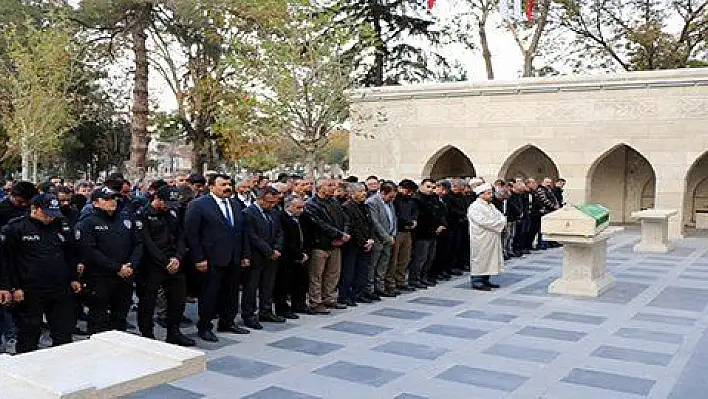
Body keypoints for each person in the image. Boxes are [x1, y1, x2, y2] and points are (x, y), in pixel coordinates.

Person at [0, 194, 80, 353]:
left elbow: (70, 254)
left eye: (53, 214)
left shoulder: (60, 226)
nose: (50, 217)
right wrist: (11, 287)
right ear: (34, 209)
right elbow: (6, 261)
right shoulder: (15, 228)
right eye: (47, 213)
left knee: (64, 334)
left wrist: (73, 278)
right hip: (29, 290)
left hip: (59, 289)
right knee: (29, 334)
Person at [184, 173, 250, 342]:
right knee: (209, 294)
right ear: (212, 186)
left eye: (229, 184)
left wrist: (244, 255)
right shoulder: (199, 205)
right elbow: (192, 235)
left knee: (232, 293)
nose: (227, 187)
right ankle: (205, 326)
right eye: (222, 184)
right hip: (211, 258)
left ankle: (227, 322)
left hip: (233, 257)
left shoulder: (236, 204)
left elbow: (242, 232)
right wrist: (198, 258)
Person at [75, 187, 143, 333]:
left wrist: (131, 265)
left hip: (125, 275)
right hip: (100, 278)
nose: (112, 202)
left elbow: (138, 243)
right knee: (98, 319)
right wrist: (117, 268)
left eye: (114, 198)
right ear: (95, 203)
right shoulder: (87, 222)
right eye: (106, 199)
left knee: (120, 318)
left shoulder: (126, 218)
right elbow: (90, 251)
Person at [136, 186, 195, 347]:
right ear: (158, 199)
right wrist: (165, 262)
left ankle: (174, 333)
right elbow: (147, 243)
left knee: (177, 300)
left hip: (174, 264)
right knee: (148, 302)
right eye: (167, 203)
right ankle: (147, 334)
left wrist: (177, 258)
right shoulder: (143, 215)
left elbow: (181, 237)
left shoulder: (172, 213)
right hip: (152, 266)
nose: (170, 206)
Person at [303, 179, 350, 314]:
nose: (333, 188)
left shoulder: (334, 202)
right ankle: (316, 301)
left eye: (333, 185)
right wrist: (338, 235)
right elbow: (320, 224)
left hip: (336, 244)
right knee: (316, 276)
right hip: (320, 244)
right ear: (319, 188)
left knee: (333, 274)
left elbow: (345, 219)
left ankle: (329, 298)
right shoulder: (312, 204)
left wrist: (343, 234)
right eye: (329, 185)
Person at [242, 186, 285, 330]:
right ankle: (249, 315)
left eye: (274, 202)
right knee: (251, 287)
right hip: (256, 256)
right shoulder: (248, 213)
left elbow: (280, 232)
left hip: (272, 256)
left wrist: (277, 248)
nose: (272, 205)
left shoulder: (274, 212)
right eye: (269, 202)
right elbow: (252, 236)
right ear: (259, 199)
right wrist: (268, 250)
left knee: (268, 285)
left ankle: (266, 311)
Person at [274, 195, 311, 317]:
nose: (301, 210)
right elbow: (286, 240)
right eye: (298, 207)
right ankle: (282, 308)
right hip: (287, 257)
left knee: (301, 282)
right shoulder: (281, 218)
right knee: (284, 284)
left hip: (303, 254)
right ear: (288, 207)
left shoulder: (303, 218)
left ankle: (299, 304)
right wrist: (298, 255)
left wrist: (305, 253)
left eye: (302, 207)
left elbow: (307, 236)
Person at [468, 183, 507, 291]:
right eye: (488, 193)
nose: (491, 195)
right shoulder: (475, 207)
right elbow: (483, 221)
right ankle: (477, 281)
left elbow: (501, 217)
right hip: (481, 238)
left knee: (490, 259)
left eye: (491, 193)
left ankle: (485, 279)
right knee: (481, 258)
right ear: (481, 194)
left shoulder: (491, 205)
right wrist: (498, 224)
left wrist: (500, 222)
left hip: (492, 236)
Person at [340, 183, 374, 306]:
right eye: (360, 191)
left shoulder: (365, 206)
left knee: (362, 271)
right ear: (351, 194)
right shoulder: (346, 207)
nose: (364, 193)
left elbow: (369, 224)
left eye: (364, 191)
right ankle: (345, 296)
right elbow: (352, 227)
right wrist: (363, 241)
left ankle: (358, 293)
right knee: (348, 272)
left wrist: (370, 239)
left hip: (366, 243)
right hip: (353, 244)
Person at [366, 181, 397, 297]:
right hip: (378, 238)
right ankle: (370, 289)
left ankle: (380, 287)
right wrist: (386, 237)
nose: (392, 199)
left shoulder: (389, 202)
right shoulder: (372, 202)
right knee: (373, 265)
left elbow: (393, 218)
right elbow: (375, 223)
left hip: (389, 238)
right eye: (391, 196)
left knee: (383, 265)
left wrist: (393, 234)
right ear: (383, 192)